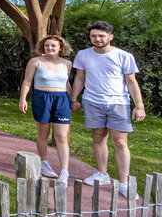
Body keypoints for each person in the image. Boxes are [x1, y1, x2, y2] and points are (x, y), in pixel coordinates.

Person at [70, 20, 145, 198]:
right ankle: (102, 174)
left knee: (119, 142)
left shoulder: (123, 56)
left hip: (118, 103)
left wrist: (139, 106)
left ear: (110, 37)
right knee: (98, 137)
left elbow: (131, 81)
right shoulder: (83, 55)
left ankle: (124, 183)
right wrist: (73, 98)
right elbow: (80, 78)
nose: (97, 39)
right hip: (92, 101)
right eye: (93, 36)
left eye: (101, 36)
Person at [18, 34, 73, 184]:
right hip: (42, 98)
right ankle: (44, 163)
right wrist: (23, 99)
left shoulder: (67, 64)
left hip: (61, 99)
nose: (50, 48)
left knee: (61, 136)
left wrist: (73, 100)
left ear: (60, 48)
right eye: (47, 45)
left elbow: (67, 83)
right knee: (43, 133)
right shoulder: (35, 62)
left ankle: (64, 171)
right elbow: (27, 82)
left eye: (53, 46)